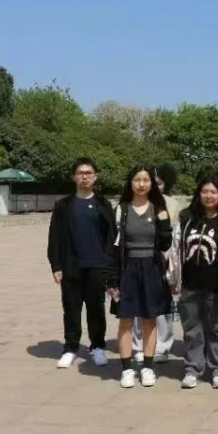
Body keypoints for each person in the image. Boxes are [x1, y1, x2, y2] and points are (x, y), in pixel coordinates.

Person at [170, 171, 218, 389]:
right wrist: (173, 277)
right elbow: (175, 249)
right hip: (189, 284)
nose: (209, 196)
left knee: (217, 328)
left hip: (215, 286)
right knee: (191, 329)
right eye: (205, 191)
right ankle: (193, 369)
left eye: (213, 192)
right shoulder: (186, 218)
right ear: (198, 193)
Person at [47, 157, 115, 369]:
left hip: (97, 266)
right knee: (71, 309)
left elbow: (111, 238)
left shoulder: (103, 204)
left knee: (96, 310)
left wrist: (109, 267)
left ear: (95, 176)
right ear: (74, 177)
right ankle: (70, 348)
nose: (84, 177)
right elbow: (55, 237)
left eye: (88, 173)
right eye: (80, 173)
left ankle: (97, 347)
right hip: (71, 267)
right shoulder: (64, 205)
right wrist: (56, 265)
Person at [109, 165, 173, 388]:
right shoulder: (122, 210)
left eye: (146, 180)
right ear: (130, 182)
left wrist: (164, 223)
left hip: (151, 268)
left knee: (149, 320)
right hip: (127, 269)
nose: (141, 184)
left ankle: (147, 367)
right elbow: (113, 246)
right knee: (125, 320)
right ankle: (127, 369)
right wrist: (112, 279)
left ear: (152, 184)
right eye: (137, 179)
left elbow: (165, 244)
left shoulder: (158, 209)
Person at [131, 166, 177, 365]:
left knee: (162, 306)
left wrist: (167, 256)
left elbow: (175, 233)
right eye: (153, 182)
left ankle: (162, 346)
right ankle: (137, 345)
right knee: (136, 305)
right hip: (138, 259)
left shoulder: (171, 204)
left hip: (163, 259)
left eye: (160, 183)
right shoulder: (135, 202)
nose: (156, 186)